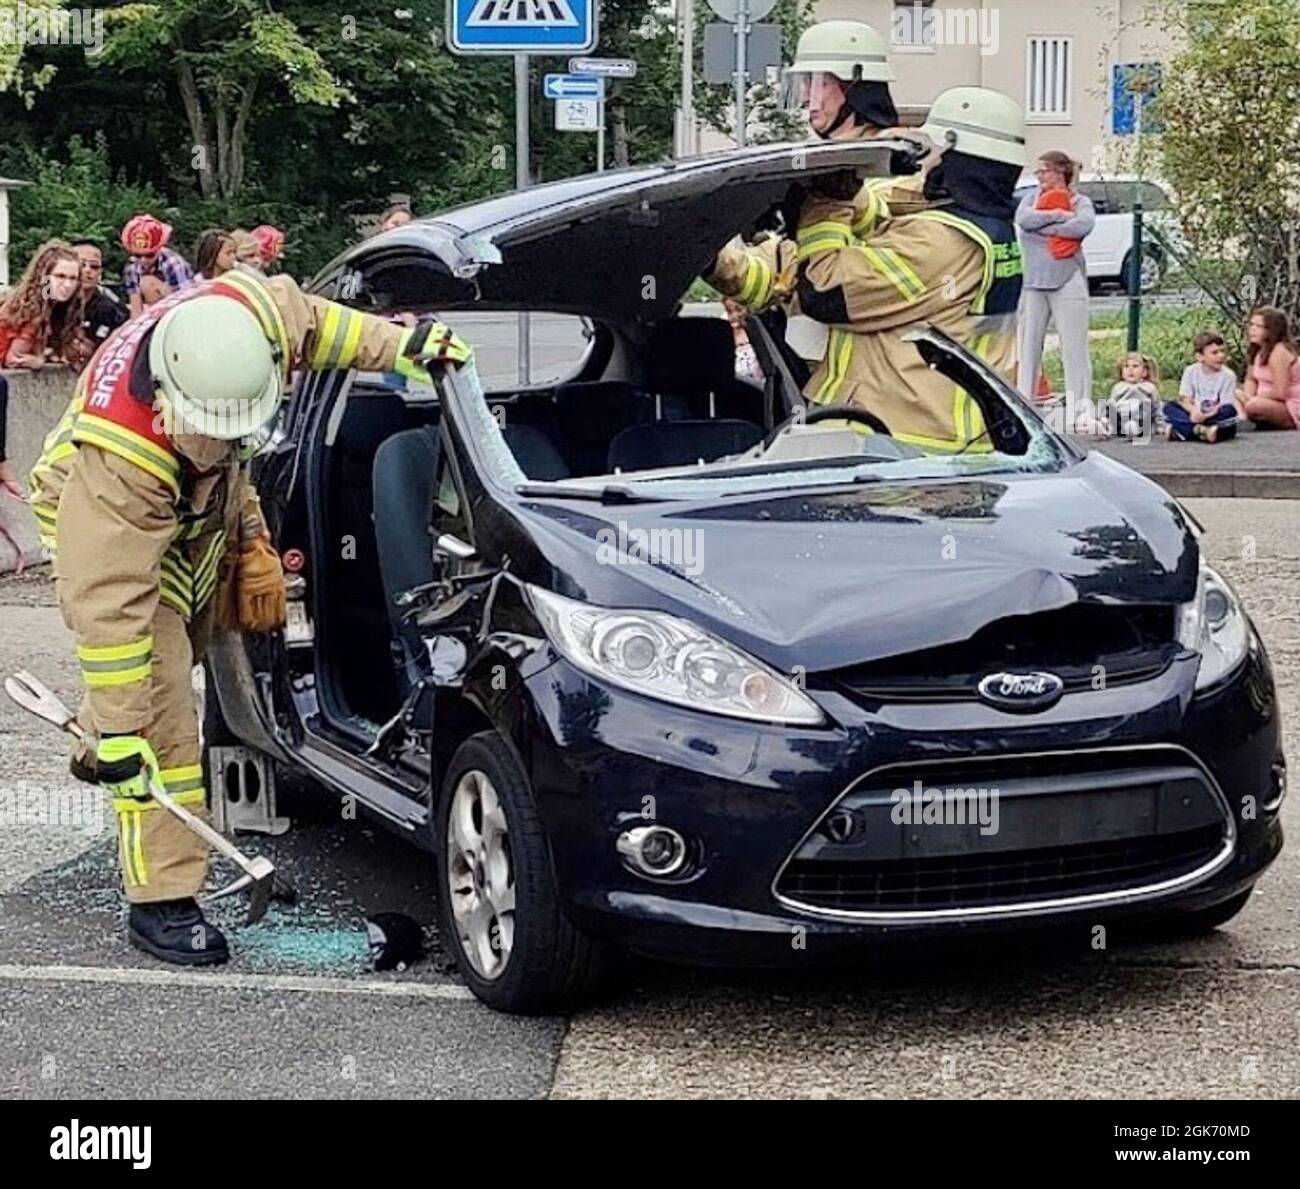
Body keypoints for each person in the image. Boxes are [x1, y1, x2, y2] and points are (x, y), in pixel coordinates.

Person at [27, 268, 471, 965]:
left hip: (197, 505)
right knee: (160, 711)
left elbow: (327, 326)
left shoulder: (251, 314)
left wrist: (405, 346)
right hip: (111, 533)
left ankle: (102, 748)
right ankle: (162, 899)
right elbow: (112, 610)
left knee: (195, 649)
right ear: (173, 402)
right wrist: (120, 728)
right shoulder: (118, 466)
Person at [791, 86, 1027, 452]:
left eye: (930, 154)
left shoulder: (936, 241)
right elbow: (896, 209)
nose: (923, 164)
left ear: (954, 156)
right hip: (954, 437)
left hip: (903, 440)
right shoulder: (985, 227)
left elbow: (824, 292)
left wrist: (826, 203)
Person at [707, 18, 924, 364]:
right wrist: (707, 255)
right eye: (803, 84)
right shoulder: (816, 174)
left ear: (854, 86)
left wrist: (832, 188)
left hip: (882, 388)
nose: (807, 96)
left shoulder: (905, 163)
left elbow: (885, 222)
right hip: (823, 385)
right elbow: (772, 282)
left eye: (817, 82)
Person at [1015, 152, 1096, 417]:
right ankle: (1024, 404)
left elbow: (1082, 226)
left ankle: (1080, 407)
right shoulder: (1031, 198)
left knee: (1074, 347)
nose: (1039, 177)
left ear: (1059, 172)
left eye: (1044, 171)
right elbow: (1024, 221)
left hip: (1067, 278)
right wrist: (1061, 216)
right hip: (1034, 281)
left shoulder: (1080, 201)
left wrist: (1047, 226)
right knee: (1028, 346)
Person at [0, 240, 92, 370]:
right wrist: (38, 361)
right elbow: (13, 359)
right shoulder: (32, 309)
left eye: (73, 278)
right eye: (60, 276)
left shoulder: (62, 308)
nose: (67, 285)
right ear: (44, 277)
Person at [1163, 332, 1239, 442]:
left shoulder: (1228, 375)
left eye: (1222, 351)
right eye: (1214, 353)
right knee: (1169, 407)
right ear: (1200, 357)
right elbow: (1186, 400)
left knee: (1230, 413)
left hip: (1214, 416)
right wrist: (1194, 411)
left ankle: (1181, 431)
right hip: (1193, 415)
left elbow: (1225, 404)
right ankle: (1201, 431)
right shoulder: (1190, 371)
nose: (1221, 356)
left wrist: (1207, 415)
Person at [121, 215, 194, 316]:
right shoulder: (131, 266)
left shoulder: (173, 263)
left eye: (149, 255)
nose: (143, 260)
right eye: (138, 255)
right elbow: (135, 308)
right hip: (150, 311)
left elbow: (186, 300)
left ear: (159, 249)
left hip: (180, 308)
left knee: (148, 283)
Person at [1240, 306, 1300, 430]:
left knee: (1254, 405)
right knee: (1232, 391)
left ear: (1272, 330)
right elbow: (1251, 379)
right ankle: (1243, 419)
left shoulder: (1279, 352)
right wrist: (1248, 396)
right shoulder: (1257, 349)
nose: (1252, 330)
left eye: (1258, 326)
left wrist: (1253, 400)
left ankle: (1248, 417)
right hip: (1263, 399)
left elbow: (1280, 392)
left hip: (1289, 404)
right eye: (1251, 325)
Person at [72, 239, 128, 352]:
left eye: (94, 266)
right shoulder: (51, 297)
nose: (87, 270)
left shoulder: (109, 308)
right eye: (81, 264)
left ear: (100, 274)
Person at [1101, 352, 1161, 439]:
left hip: (1140, 419)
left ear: (1144, 372)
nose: (1130, 370)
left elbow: (1157, 407)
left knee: (1146, 407)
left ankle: (1133, 429)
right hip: (1121, 416)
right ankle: (1107, 427)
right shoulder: (1118, 387)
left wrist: (1160, 424)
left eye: (1135, 366)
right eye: (1126, 366)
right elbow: (1111, 404)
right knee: (1109, 405)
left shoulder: (1149, 387)